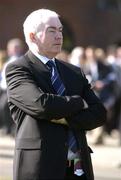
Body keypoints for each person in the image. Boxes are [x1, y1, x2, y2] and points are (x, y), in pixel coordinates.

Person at [5, 9, 106, 180]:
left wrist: (64, 117)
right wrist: (79, 102)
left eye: (60, 30)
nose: (59, 36)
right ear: (32, 36)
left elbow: (99, 113)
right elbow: (42, 105)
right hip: (40, 167)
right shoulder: (18, 69)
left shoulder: (74, 72)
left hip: (78, 167)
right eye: (51, 31)